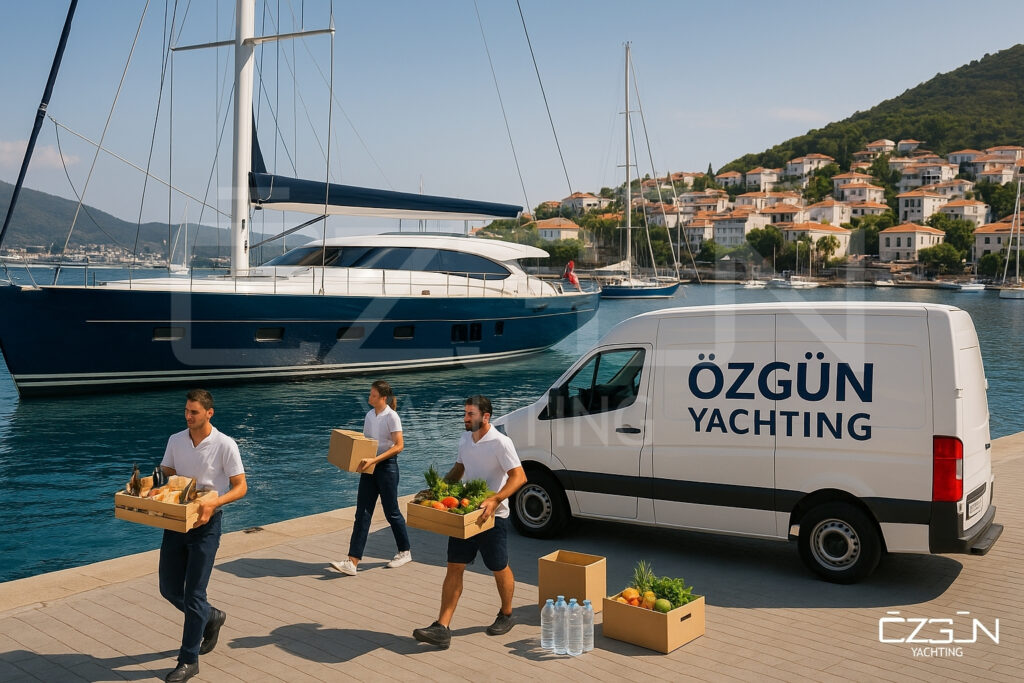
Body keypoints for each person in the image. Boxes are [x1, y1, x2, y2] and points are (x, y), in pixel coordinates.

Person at [413, 395, 527, 649]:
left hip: (493, 517)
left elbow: (519, 477)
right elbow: (459, 469)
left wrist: (496, 499)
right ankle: (442, 627)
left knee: (499, 566)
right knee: (454, 566)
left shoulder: (501, 442)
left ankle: (507, 614)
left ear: (485, 417)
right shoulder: (466, 438)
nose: (465, 419)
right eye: (465, 414)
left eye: (470, 414)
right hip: (467, 514)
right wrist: (438, 489)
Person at [159, 389, 247, 683]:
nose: (188, 416)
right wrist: (154, 484)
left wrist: (214, 502)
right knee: (169, 590)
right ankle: (211, 616)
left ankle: (188, 661)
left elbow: (240, 487)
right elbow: (166, 471)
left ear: (209, 413)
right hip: (176, 521)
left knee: (194, 594)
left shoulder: (225, 445)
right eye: (186, 411)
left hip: (207, 526)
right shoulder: (176, 440)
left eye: (193, 412)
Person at [330, 380, 412, 575]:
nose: (370, 397)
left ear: (383, 398)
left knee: (391, 511)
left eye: (373, 395)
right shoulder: (369, 415)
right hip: (370, 467)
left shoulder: (392, 417)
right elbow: (367, 443)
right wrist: (357, 460)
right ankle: (352, 562)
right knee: (362, 513)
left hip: (387, 468)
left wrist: (375, 460)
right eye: (370, 394)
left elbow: (399, 445)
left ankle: (404, 551)